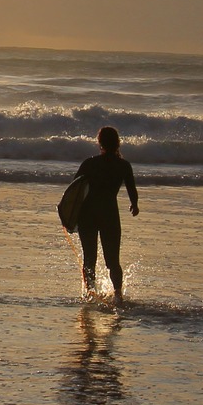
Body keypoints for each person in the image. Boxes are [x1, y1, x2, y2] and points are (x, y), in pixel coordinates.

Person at [73, 126, 138, 303]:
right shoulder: (123, 165)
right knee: (113, 261)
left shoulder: (89, 163)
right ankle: (118, 295)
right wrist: (134, 205)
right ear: (118, 143)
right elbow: (132, 189)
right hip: (109, 214)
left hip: (88, 214)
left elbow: (74, 189)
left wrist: (68, 214)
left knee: (89, 259)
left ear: (99, 142)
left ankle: (90, 294)